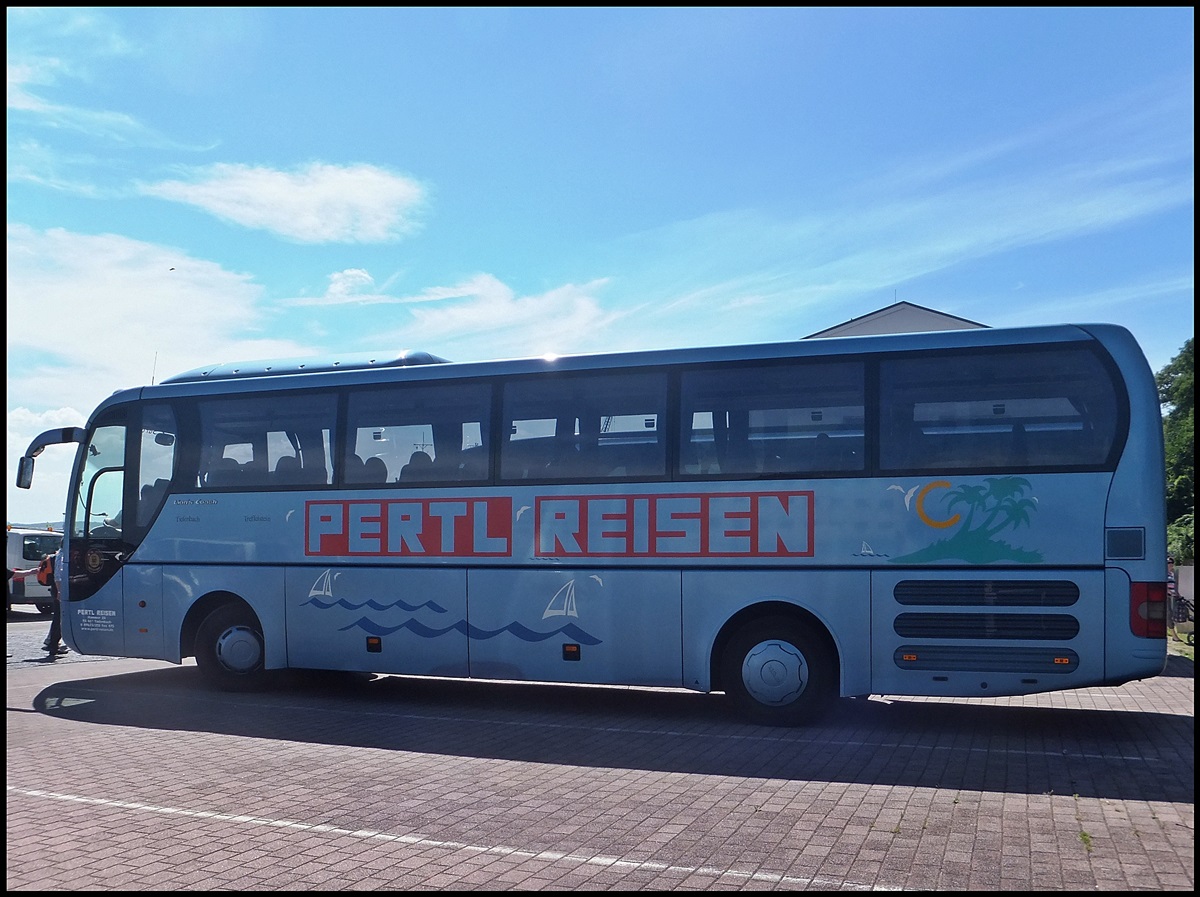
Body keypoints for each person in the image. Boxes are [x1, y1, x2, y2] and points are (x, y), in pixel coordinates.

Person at [36, 551, 67, 657]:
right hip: (59, 590)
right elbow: (58, 575)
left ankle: (53, 643)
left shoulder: (58, 555)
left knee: (59, 618)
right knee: (59, 618)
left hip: (57, 589)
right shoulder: (61, 556)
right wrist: (59, 591)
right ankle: (53, 645)